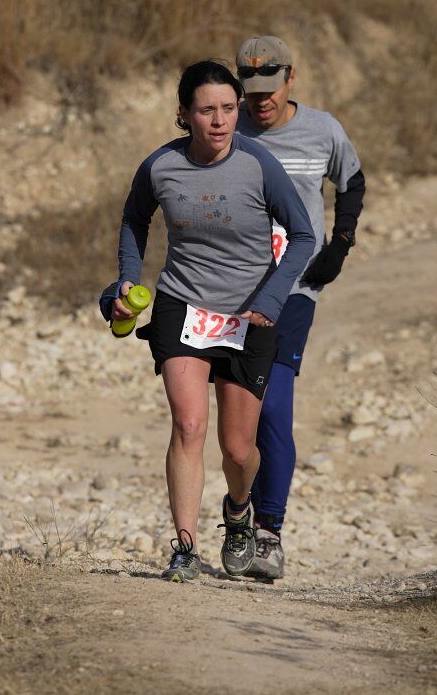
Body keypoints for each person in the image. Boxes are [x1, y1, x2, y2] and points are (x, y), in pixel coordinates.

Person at [101, 60, 316, 582]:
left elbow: (304, 236)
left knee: (239, 449)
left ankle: (239, 511)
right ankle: (184, 547)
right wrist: (129, 280)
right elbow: (134, 219)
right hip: (183, 304)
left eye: (228, 109)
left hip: (249, 315)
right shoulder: (160, 167)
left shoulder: (259, 163)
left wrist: (269, 299)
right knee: (189, 424)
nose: (220, 121)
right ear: (184, 114)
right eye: (207, 110)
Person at [235, 36, 366, 579]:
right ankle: (235, 516)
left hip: (293, 293)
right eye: (251, 89)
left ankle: (268, 532)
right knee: (235, 418)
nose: (260, 100)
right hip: (230, 291)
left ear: (292, 79)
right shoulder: (227, 125)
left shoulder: (323, 129)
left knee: (271, 407)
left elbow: (352, 182)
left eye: (270, 89)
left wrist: (339, 246)